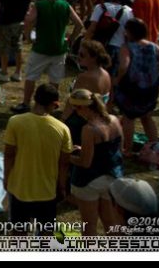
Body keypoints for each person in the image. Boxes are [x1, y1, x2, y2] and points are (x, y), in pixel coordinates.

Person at [3, 84, 72, 231]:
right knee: (46, 234)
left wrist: (6, 177)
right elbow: (64, 163)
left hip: (19, 188)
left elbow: (9, 155)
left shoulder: (15, 122)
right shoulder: (63, 129)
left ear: (35, 99)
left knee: (19, 232)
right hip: (47, 192)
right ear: (54, 104)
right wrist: (61, 186)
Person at [12, 0, 84, 114]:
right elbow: (79, 24)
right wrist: (71, 39)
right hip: (59, 47)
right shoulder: (65, 5)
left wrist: (28, 37)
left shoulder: (39, 4)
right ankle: (51, 104)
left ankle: (26, 103)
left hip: (41, 47)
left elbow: (29, 20)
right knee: (55, 79)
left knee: (31, 76)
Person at [67, 89, 124, 236]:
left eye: (76, 107)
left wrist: (67, 157)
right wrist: (84, 148)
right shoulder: (114, 120)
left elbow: (85, 163)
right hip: (112, 177)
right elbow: (117, 149)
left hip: (90, 181)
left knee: (89, 227)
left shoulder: (89, 129)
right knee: (111, 224)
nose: (75, 111)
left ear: (84, 107)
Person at [113, 18, 159, 156]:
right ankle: (156, 147)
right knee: (147, 117)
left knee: (128, 117)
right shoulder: (154, 46)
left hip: (132, 88)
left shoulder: (127, 47)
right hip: (150, 88)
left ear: (129, 32)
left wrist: (117, 79)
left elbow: (123, 66)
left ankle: (128, 149)